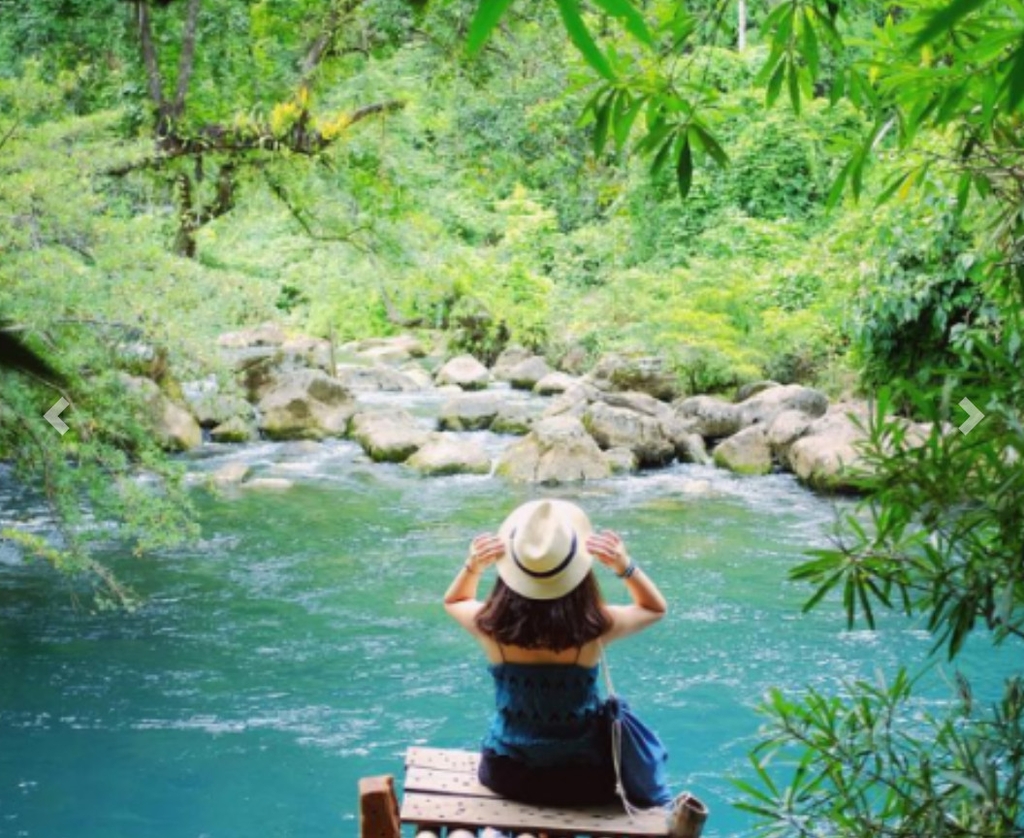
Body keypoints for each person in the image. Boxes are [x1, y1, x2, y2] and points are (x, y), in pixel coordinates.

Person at [443, 498, 670, 808]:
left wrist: (473, 566)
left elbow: (454, 600)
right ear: (578, 572)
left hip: (506, 774)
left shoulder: (489, 626)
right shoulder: (597, 627)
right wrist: (624, 566)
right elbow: (655, 608)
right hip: (580, 779)